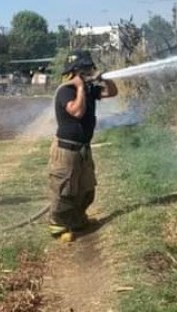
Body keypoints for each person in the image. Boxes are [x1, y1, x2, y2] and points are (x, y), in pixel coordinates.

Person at [47, 50, 117, 240]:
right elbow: (77, 112)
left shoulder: (88, 90)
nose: (88, 73)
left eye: (89, 69)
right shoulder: (65, 91)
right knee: (66, 190)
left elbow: (112, 92)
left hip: (83, 148)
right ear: (73, 72)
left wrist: (105, 79)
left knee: (86, 188)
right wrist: (78, 88)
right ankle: (59, 225)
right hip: (66, 150)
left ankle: (78, 220)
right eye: (84, 70)